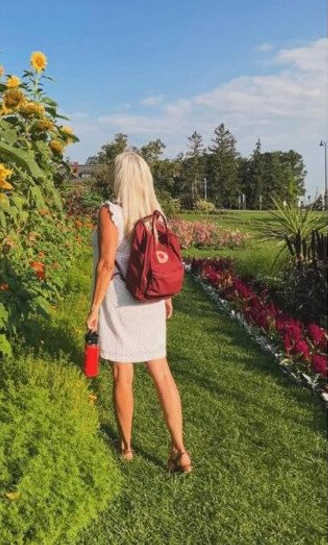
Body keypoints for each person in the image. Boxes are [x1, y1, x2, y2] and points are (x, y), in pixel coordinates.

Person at [86, 151, 193, 473]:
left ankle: (127, 447)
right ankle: (180, 448)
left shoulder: (111, 212)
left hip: (120, 299)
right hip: (151, 300)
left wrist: (93, 309)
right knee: (162, 373)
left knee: (123, 374)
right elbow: (165, 259)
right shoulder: (156, 213)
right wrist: (167, 297)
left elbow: (106, 265)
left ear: (119, 177)